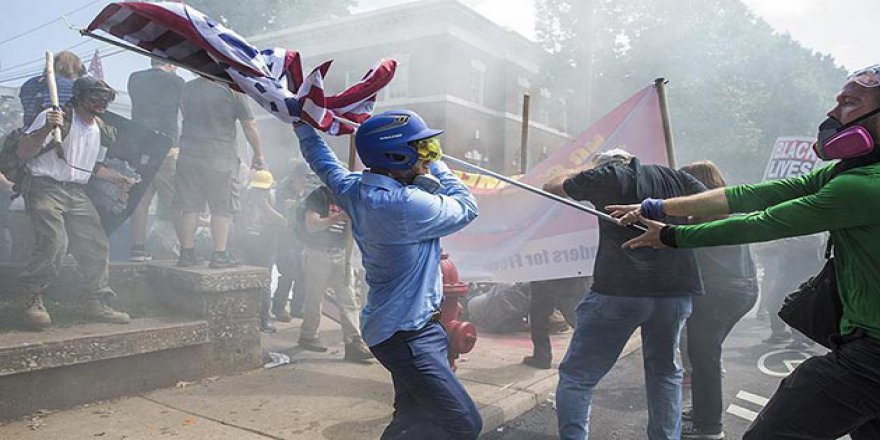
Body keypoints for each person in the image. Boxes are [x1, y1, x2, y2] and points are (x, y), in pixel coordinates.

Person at [610, 64, 880, 440]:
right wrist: (656, 207)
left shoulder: (864, 186)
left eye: (849, 103)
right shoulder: (848, 173)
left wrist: (672, 236)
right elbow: (753, 194)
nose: (833, 115)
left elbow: (763, 221)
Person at [292, 109, 482, 439]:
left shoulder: (354, 188)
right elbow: (467, 206)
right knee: (464, 423)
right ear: (397, 155)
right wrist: (437, 165)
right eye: (422, 150)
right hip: (408, 335)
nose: (427, 157)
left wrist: (301, 124)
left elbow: (323, 162)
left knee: (411, 417)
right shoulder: (408, 205)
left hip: (401, 328)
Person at [542, 148, 706, 440]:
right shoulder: (676, 176)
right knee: (665, 374)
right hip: (675, 291)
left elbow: (552, 185)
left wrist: (583, 168)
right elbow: (713, 205)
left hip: (620, 290)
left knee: (578, 376)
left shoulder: (608, 175)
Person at [15, 77, 137, 329]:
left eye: (106, 98)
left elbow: (93, 167)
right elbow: (23, 152)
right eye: (95, 97)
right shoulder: (55, 116)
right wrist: (47, 129)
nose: (101, 103)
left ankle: (96, 301)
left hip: (76, 191)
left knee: (96, 244)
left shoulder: (100, 128)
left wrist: (119, 178)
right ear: (80, 96)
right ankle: (31, 298)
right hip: (45, 186)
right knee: (54, 242)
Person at [676, 161, 759, 440]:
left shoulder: (703, 212)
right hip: (744, 290)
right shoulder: (729, 205)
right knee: (705, 356)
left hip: (717, 292)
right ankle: (701, 414)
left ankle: (709, 426)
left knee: (704, 358)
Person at [173, 77, 266, 268]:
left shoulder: (188, 88)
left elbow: (184, 113)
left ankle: (187, 253)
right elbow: (249, 125)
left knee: (190, 205)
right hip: (220, 156)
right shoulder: (233, 90)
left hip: (189, 154)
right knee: (221, 206)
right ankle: (219, 254)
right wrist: (258, 155)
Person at [295, 184, 373, 361]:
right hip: (318, 253)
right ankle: (308, 335)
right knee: (315, 298)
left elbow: (351, 231)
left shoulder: (347, 198)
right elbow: (312, 225)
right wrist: (337, 217)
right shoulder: (318, 196)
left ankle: (353, 343)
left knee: (349, 299)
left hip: (341, 254)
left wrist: (349, 260)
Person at [126, 59, 185, 262]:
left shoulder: (134, 78)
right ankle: (186, 249)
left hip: (139, 144)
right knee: (173, 199)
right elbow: (184, 112)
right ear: (170, 63)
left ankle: (137, 249)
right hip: (166, 146)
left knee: (141, 198)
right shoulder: (177, 82)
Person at [235, 169, 286, 333]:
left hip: (266, 247)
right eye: (258, 189)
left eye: (263, 189)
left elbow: (284, 222)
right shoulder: (245, 196)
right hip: (245, 245)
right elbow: (237, 217)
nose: (260, 192)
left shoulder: (276, 198)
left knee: (264, 283)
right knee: (243, 281)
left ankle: (264, 318)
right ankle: (243, 316)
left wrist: (266, 207)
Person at [270, 161, 311, 321]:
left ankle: (297, 307)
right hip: (284, 239)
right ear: (294, 177)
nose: (304, 181)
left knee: (302, 275)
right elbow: (284, 212)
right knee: (288, 273)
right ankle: (279, 308)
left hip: (302, 239)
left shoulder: (308, 193)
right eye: (302, 177)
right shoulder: (282, 192)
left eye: (306, 178)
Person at [523, 276, 587, 369]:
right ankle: (595, 352)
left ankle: (542, 356)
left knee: (540, 313)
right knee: (576, 316)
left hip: (547, 273)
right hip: (569, 274)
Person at [19, 51, 85, 127]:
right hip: (59, 132)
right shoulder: (74, 87)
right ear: (74, 68)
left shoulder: (29, 84)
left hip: (27, 133)